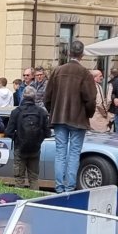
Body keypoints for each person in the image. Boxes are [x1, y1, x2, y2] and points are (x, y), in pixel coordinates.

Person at [45, 40, 96, 194]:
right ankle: (69, 187)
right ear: (82, 54)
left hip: (59, 118)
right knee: (74, 153)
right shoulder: (85, 73)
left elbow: (47, 97)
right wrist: (88, 114)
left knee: (60, 153)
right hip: (78, 119)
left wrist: (53, 110)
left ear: (68, 53)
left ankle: (59, 187)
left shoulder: (57, 71)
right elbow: (90, 99)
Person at [6, 89, 49, 189]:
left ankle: (19, 196)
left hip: (20, 149)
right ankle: (34, 196)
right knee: (34, 178)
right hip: (35, 149)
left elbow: (8, 132)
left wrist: (18, 138)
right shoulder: (41, 112)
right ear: (35, 97)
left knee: (19, 178)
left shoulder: (16, 112)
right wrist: (38, 140)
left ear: (23, 97)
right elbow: (47, 133)